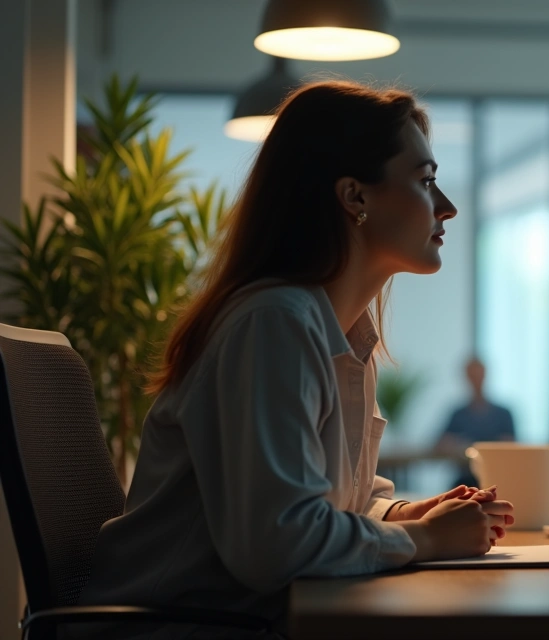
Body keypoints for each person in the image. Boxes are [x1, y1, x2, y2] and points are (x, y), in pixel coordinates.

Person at [78, 81, 515, 632]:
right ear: (355, 196)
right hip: (175, 626)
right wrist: (423, 539)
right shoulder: (274, 324)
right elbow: (277, 543)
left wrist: (406, 515)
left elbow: (326, 504)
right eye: (426, 181)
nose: (446, 207)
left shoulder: (339, 331)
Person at [436, 357, 516, 487]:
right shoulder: (458, 414)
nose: (475, 380)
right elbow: (441, 444)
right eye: (472, 376)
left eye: (478, 375)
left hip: (497, 478)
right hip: (466, 480)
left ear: (485, 375)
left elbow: (511, 446)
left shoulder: (503, 414)